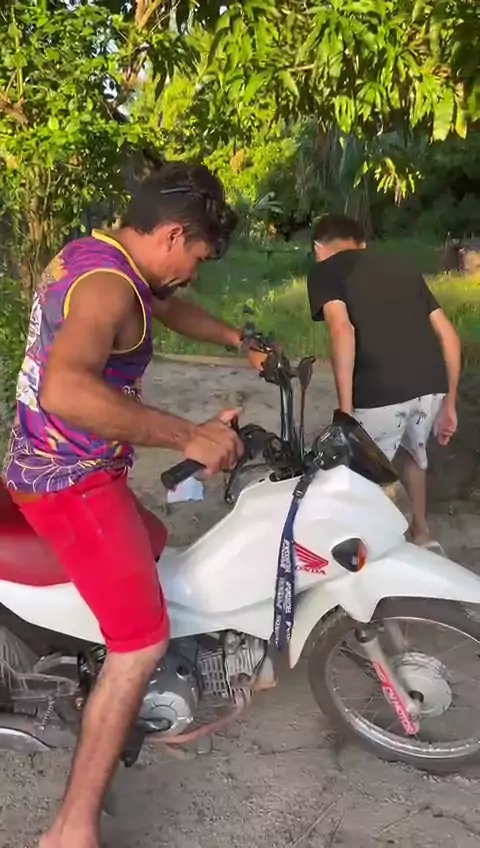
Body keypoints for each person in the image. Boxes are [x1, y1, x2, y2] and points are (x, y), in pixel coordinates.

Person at [2, 161, 268, 848]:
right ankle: (70, 829)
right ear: (174, 234)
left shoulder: (103, 256)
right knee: (141, 641)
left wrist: (237, 341)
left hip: (65, 466)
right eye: (197, 257)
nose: (194, 273)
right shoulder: (108, 289)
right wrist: (189, 435)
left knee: (155, 544)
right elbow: (65, 390)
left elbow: (165, 305)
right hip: (69, 482)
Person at [307, 213, 461, 551]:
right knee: (412, 455)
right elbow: (449, 336)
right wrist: (449, 402)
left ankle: (372, 551)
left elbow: (342, 330)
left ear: (319, 248)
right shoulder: (403, 267)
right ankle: (422, 534)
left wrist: (346, 414)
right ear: (362, 244)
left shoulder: (326, 271)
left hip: (379, 391)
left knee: (359, 473)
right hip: (430, 388)